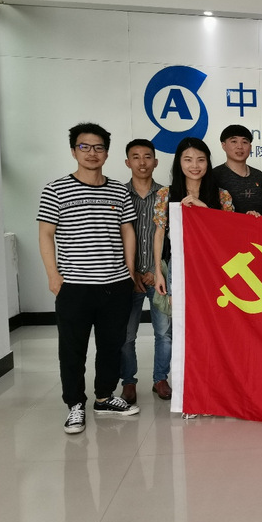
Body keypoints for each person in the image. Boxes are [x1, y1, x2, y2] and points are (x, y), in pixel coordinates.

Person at [37, 122, 140, 434]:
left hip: (115, 284)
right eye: (85, 147)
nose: (92, 153)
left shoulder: (119, 190)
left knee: (111, 346)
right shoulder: (56, 189)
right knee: (72, 349)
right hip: (75, 286)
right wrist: (53, 276)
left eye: (98, 147)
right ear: (73, 151)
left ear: (107, 153)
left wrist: (129, 271)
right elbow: (46, 234)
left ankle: (104, 397)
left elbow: (127, 230)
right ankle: (75, 405)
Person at [118, 138, 172, 404]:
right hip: (127, 277)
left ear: (156, 162)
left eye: (147, 156)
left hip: (158, 276)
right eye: (136, 157)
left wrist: (154, 269)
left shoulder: (167, 195)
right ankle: (128, 382)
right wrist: (132, 272)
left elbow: (172, 237)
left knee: (164, 333)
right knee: (126, 335)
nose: (142, 162)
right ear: (127, 162)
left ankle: (160, 378)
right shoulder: (118, 195)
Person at [153, 137, 235, 298]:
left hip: (214, 268)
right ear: (179, 162)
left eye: (201, 160)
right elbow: (159, 234)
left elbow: (227, 235)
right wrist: (158, 271)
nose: (195, 166)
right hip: (178, 267)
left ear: (207, 163)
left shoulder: (222, 196)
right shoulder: (166, 194)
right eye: (188, 160)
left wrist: (204, 209)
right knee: (179, 313)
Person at [212, 124, 262, 214]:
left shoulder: (258, 175)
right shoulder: (215, 175)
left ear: (250, 147)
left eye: (244, 142)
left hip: (256, 223)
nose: (240, 146)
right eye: (234, 141)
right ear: (223, 145)